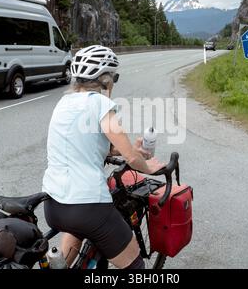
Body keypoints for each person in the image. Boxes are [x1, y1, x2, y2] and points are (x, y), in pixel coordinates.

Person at [42, 45, 165, 269]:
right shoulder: (100, 103)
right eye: (114, 77)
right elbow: (131, 158)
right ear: (105, 78)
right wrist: (148, 167)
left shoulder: (63, 103)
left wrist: (130, 149)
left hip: (54, 206)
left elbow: (92, 145)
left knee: (76, 236)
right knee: (135, 266)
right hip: (87, 206)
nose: (114, 83)